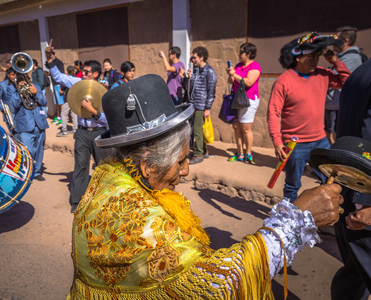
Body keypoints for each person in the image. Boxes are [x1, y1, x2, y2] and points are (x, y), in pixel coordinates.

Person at [66, 73, 344, 299]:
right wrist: (294, 221)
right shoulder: (142, 224)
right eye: (181, 161)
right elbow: (218, 285)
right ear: (147, 165)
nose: (186, 172)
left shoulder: (108, 175)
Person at [268, 32, 351, 202]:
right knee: (292, 185)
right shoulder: (283, 81)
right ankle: (288, 221)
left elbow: (347, 82)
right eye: (312, 56)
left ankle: (323, 218)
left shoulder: (323, 74)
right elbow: (273, 113)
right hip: (294, 144)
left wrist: (335, 61)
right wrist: (277, 142)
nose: (316, 60)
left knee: (328, 181)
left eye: (318, 56)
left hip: (321, 141)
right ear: (298, 57)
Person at [45, 40, 107, 213]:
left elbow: (108, 120)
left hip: (100, 133)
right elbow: (57, 77)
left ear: (95, 74)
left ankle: (104, 199)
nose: (83, 74)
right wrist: (50, 60)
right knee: (80, 166)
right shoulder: (77, 83)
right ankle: (77, 201)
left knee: (103, 167)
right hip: (81, 133)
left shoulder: (105, 90)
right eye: (83, 71)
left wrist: (93, 111)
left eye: (86, 72)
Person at [330, 59, 371, 300]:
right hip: (362, 199)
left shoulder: (360, 72)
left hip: (347, 189)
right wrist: (366, 203)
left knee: (355, 271)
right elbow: (369, 138)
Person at [325, 26, 363, 145]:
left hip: (338, 105)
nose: (333, 43)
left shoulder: (351, 58)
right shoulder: (344, 56)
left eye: (336, 39)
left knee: (334, 137)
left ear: (345, 41)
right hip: (334, 104)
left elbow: (339, 80)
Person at [226, 43, 261, 164]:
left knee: (246, 128)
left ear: (249, 53)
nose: (239, 54)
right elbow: (232, 81)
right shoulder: (238, 65)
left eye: (241, 52)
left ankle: (248, 153)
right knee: (236, 127)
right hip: (237, 99)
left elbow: (249, 82)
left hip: (249, 99)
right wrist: (231, 74)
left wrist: (234, 74)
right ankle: (240, 153)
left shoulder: (255, 66)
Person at [10, 75, 49, 181]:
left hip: (39, 123)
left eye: (25, 79)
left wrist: (36, 92)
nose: (23, 82)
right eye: (21, 80)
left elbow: (44, 102)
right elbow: (13, 105)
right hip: (25, 125)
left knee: (39, 149)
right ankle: (28, 172)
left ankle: (36, 172)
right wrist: (20, 91)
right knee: (28, 151)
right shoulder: (13, 89)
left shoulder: (35, 86)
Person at [184, 46, 217, 165]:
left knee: (197, 130)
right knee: (199, 129)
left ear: (201, 57)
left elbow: (211, 91)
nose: (192, 60)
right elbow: (189, 89)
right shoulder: (196, 71)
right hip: (194, 104)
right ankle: (204, 151)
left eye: (194, 57)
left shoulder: (209, 71)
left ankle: (198, 154)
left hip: (201, 105)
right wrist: (188, 78)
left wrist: (208, 108)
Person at [57, 65, 78, 137]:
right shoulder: (76, 79)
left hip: (68, 99)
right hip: (75, 99)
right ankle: (75, 129)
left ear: (67, 71)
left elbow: (61, 90)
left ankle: (64, 131)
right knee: (74, 114)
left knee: (63, 114)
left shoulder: (66, 79)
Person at [0, 68, 18, 133]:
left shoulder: (20, 83)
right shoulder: (2, 84)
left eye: (16, 74)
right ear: (8, 75)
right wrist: (2, 109)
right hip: (10, 114)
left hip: (21, 115)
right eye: (12, 75)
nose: (15, 76)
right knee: (14, 136)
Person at [51, 57, 65, 126]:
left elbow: (62, 74)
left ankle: (63, 118)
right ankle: (58, 117)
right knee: (56, 103)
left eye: (51, 55)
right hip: (54, 85)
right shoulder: (51, 63)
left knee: (61, 103)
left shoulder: (59, 63)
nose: (51, 56)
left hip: (59, 85)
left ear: (54, 54)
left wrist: (61, 87)